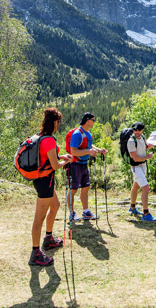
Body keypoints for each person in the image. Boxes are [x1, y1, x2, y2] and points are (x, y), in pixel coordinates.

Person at [29, 107, 74, 266]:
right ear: (55, 122)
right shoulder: (48, 139)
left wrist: (61, 156)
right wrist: (65, 161)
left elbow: (46, 157)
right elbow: (54, 165)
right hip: (44, 181)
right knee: (39, 218)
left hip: (43, 179)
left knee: (55, 206)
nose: (58, 125)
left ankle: (48, 239)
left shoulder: (40, 136)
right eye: (58, 122)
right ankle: (35, 253)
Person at [67, 112, 108, 221]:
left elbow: (88, 145)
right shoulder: (77, 134)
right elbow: (73, 151)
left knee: (86, 187)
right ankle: (71, 213)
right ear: (87, 120)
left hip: (84, 164)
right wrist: (88, 152)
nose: (94, 122)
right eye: (93, 120)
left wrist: (98, 150)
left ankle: (86, 212)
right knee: (73, 189)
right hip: (75, 165)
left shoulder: (87, 132)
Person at [127, 122, 156, 222]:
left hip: (143, 166)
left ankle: (132, 208)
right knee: (145, 188)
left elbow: (145, 147)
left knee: (136, 186)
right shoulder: (131, 141)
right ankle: (146, 213)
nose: (137, 132)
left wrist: (154, 144)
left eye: (139, 130)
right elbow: (135, 158)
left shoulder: (143, 137)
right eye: (135, 130)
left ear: (142, 130)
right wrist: (147, 157)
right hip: (136, 167)